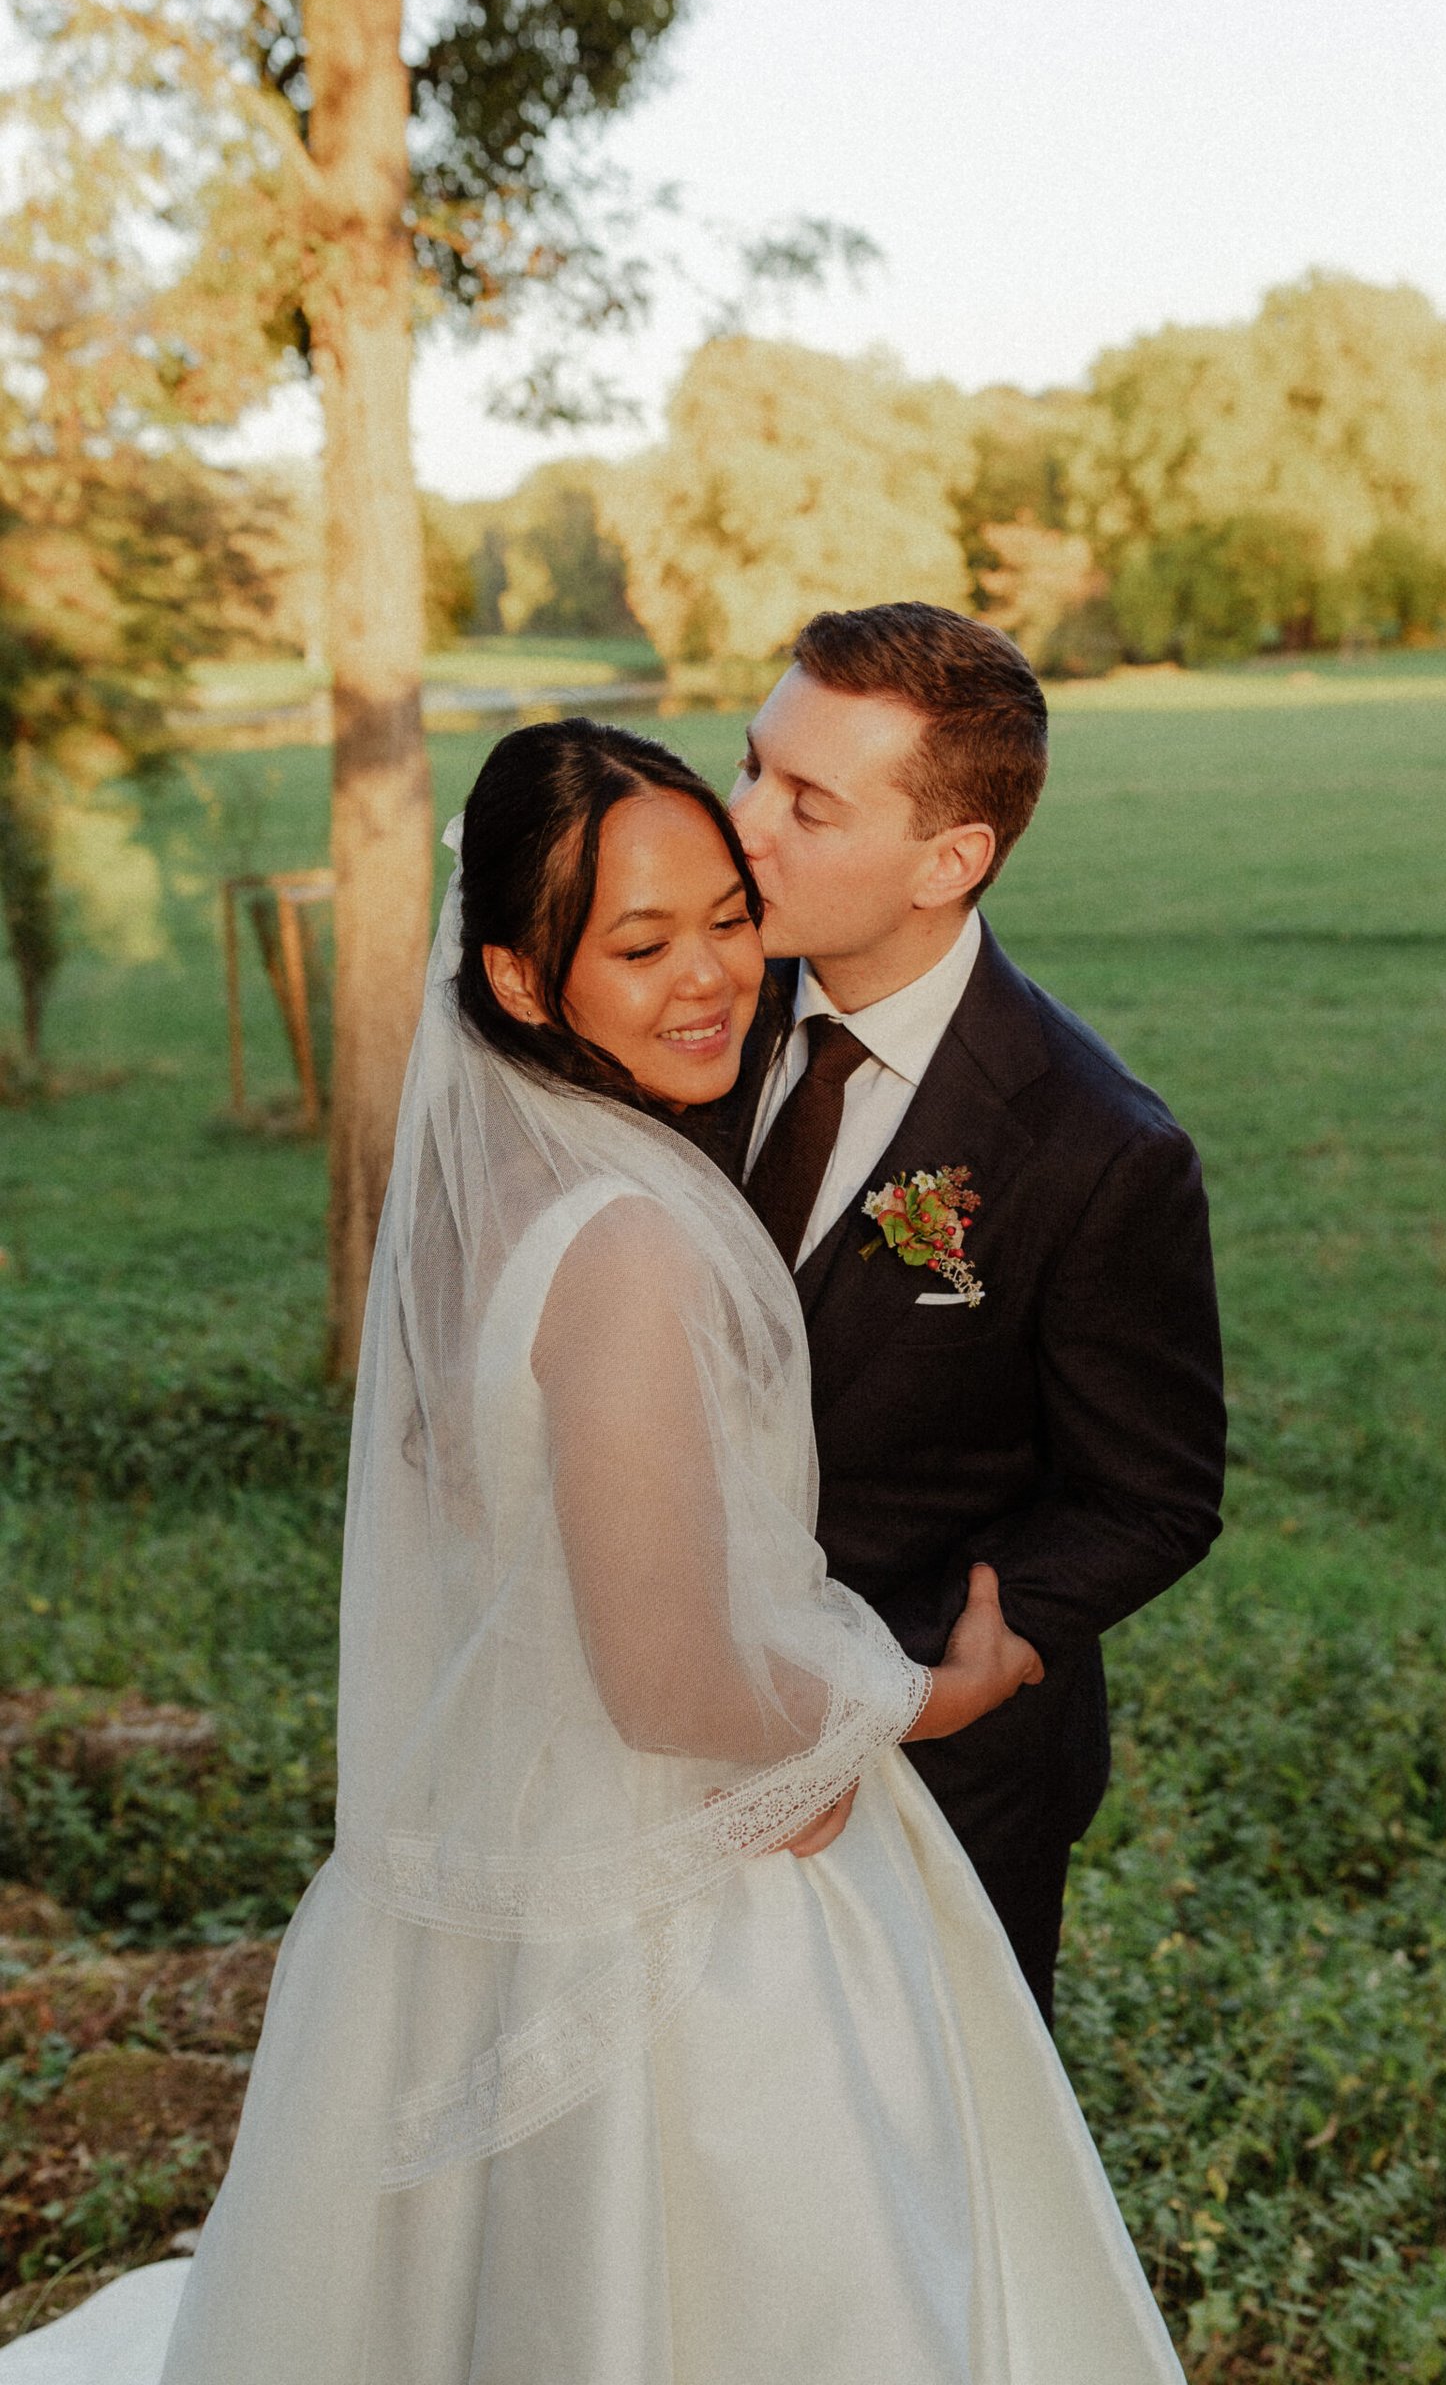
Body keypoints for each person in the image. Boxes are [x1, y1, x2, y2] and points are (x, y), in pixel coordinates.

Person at [0, 719, 1187, 2383]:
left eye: (724, 913)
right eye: (641, 945)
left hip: (512, 1835)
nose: (713, 974)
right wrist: (909, 1696)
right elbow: (667, 1675)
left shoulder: (512, 1178)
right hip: (678, 1904)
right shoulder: (627, 1239)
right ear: (522, 977)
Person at [722, 604, 1228, 2022]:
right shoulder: (688, 1017)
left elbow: (1156, 1496)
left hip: (936, 1781)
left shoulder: (1097, 1147)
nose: (743, 823)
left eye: (807, 802)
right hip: (662, 1743)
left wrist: (979, 1654)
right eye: (751, 765)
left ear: (951, 860)